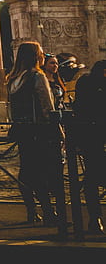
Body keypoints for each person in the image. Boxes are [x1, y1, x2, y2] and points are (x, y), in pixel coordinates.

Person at [6, 40, 60, 225]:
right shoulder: (37, 76)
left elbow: (11, 110)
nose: (43, 55)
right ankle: (49, 212)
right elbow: (47, 107)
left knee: (26, 171)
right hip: (39, 130)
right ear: (36, 56)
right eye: (41, 52)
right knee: (42, 172)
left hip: (22, 130)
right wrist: (58, 129)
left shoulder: (13, 79)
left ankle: (31, 211)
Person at [71, 59, 106, 233]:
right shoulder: (88, 82)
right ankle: (95, 218)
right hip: (93, 136)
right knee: (93, 178)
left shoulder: (85, 81)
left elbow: (78, 107)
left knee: (92, 178)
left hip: (89, 137)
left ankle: (95, 218)